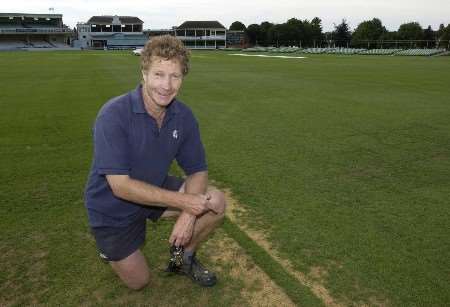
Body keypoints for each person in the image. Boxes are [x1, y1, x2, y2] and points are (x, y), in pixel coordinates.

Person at [84, 35, 226, 289]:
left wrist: (188, 216)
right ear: (144, 73)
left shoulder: (183, 116)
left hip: (154, 188)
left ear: (183, 78)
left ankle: (184, 258)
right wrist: (186, 204)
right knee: (139, 282)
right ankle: (109, 248)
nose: (167, 85)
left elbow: (198, 170)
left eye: (175, 76)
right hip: (113, 207)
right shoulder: (113, 114)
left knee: (215, 202)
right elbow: (120, 186)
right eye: (159, 74)